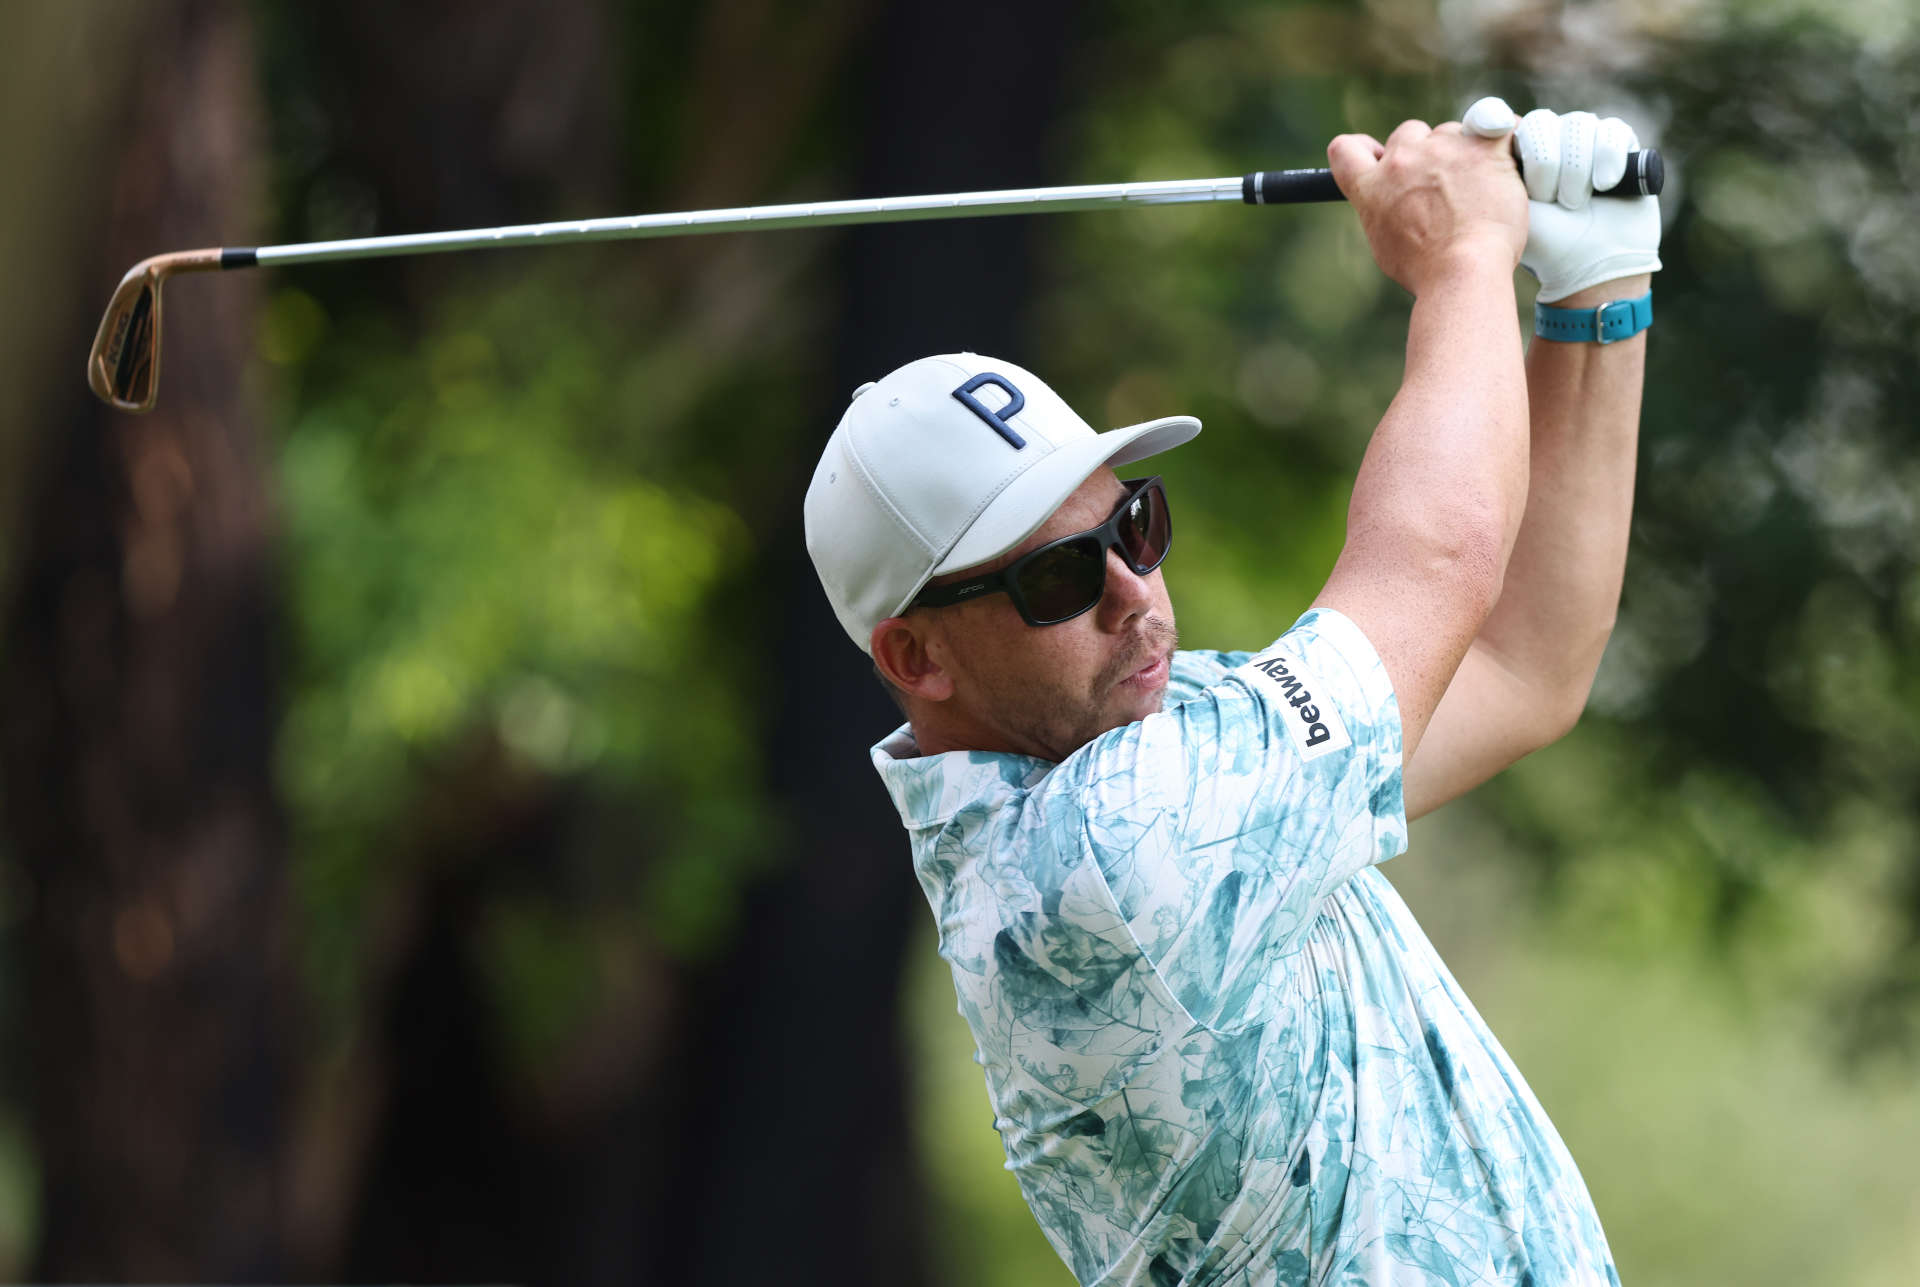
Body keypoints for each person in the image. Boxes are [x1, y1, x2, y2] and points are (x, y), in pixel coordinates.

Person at [804, 97, 1658, 1286]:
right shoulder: (1105, 856)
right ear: (916, 660)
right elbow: (1438, 561)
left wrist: (1598, 295)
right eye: (1055, 577)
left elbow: (1524, 664)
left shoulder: (1160, 733)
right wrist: (1464, 259)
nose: (1132, 595)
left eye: (1132, 525)